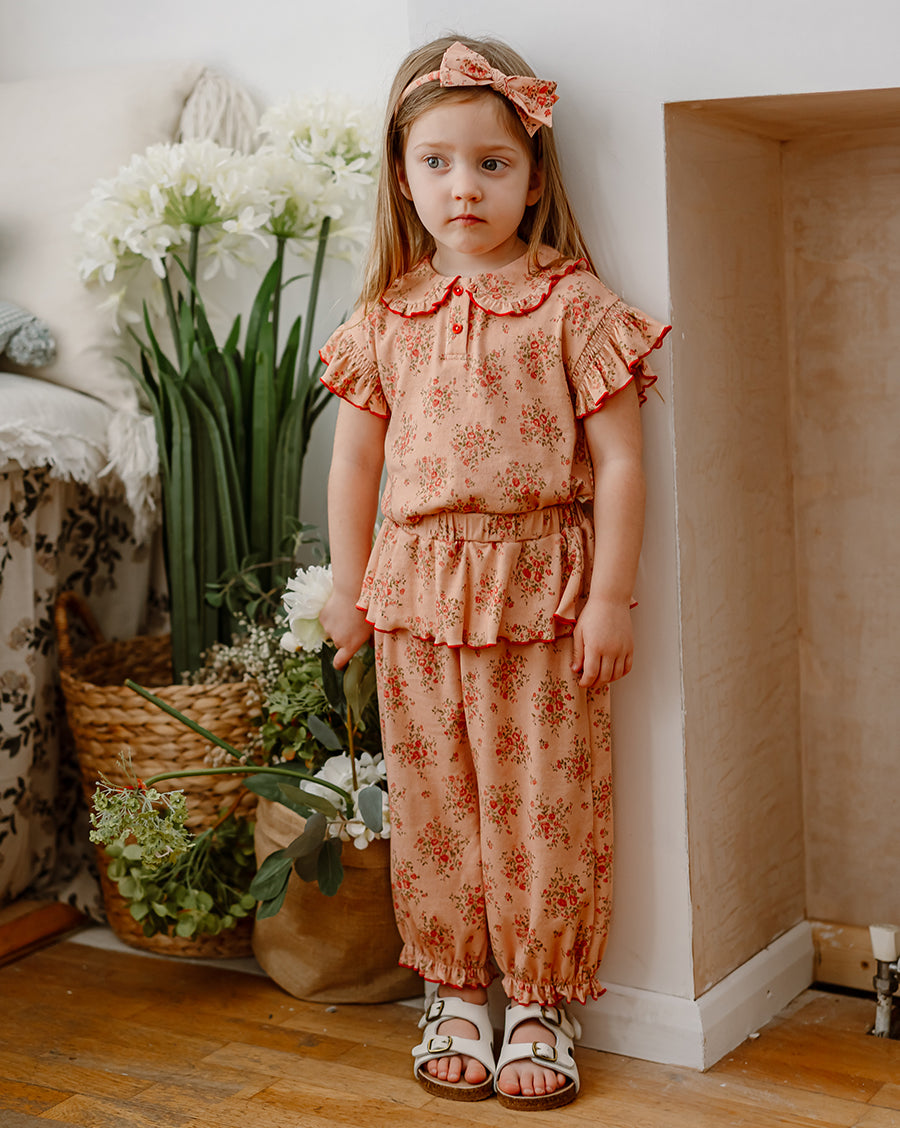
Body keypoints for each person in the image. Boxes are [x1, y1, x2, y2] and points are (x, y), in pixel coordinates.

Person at [318, 34, 669, 1112]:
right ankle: (453, 988)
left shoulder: (574, 304)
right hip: (415, 591)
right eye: (436, 162)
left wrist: (609, 595)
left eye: (491, 163)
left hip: (542, 590)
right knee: (435, 798)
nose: (462, 187)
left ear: (533, 176)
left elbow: (621, 461)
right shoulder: (387, 315)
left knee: (543, 799)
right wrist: (345, 583)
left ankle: (541, 1002)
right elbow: (356, 462)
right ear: (401, 175)